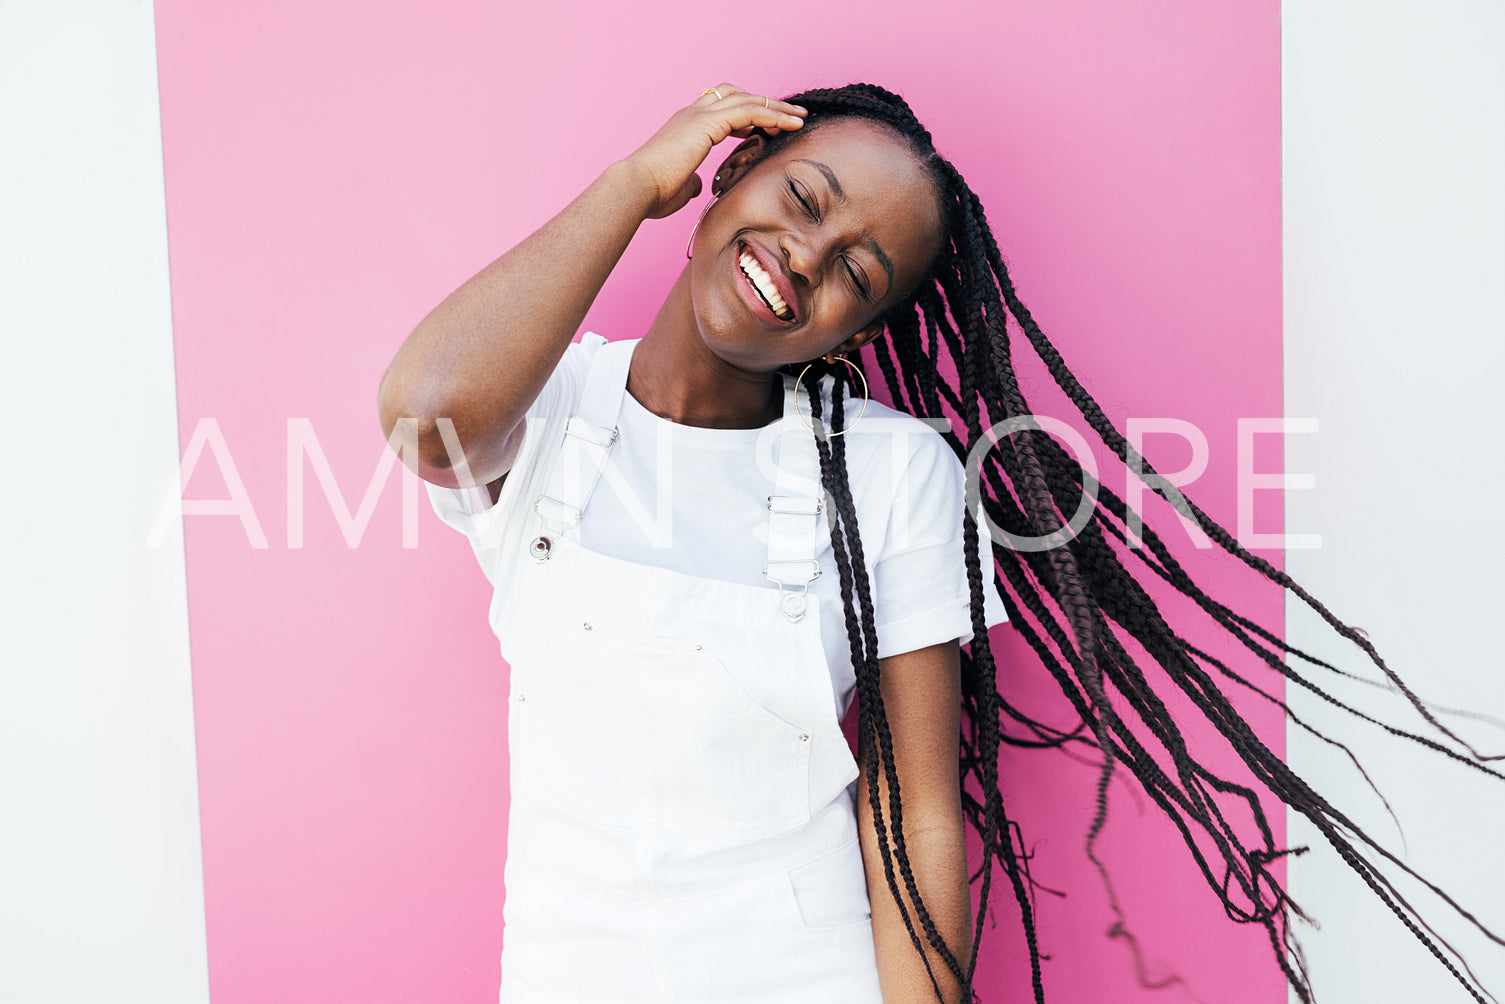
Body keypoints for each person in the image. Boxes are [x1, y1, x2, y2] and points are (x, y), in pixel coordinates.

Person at [377, 82, 1499, 1004]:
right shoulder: (544, 408)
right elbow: (423, 410)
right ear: (722, 175)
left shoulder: (889, 473)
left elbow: (910, 808)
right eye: (801, 198)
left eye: (856, 274)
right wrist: (631, 184)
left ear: (856, 329)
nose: (803, 258)